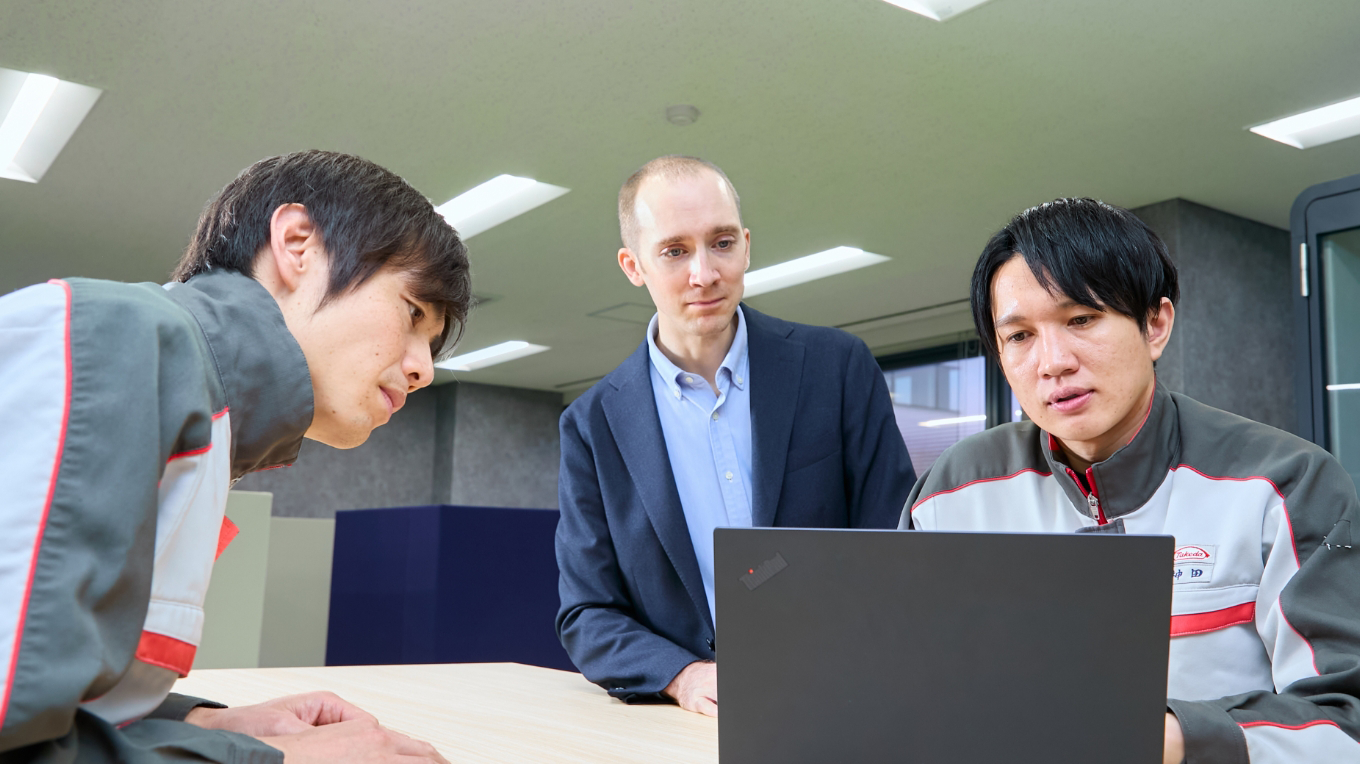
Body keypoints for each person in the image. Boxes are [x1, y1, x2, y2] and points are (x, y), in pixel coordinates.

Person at [0, 150, 471, 763]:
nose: (423, 368)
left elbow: (51, 705)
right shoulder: (122, 341)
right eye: (412, 313)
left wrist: (201, 723)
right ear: (298, 244)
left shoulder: (205, 416)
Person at [901, 197, 1360, 763]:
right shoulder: (951, 493)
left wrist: (1170, 739)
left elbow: (1344, 722)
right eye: (1019, 336)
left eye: (1081, 320)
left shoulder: (1285, 485)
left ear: (1156, 324)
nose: (1053, 362)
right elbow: (907, 688)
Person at [556, 155, 916, 717]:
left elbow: (894, 546)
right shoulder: (592, 423)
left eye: (721, 243)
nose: (704, 273)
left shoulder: (836, 369)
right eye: (674, 251)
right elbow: (587, 612)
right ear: (633, 264)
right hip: (692, 722)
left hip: (846, 697)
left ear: (746, 245)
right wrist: (683, 676)